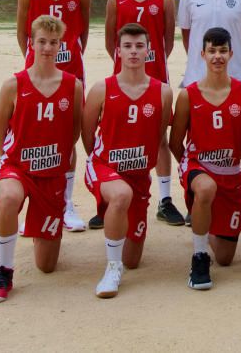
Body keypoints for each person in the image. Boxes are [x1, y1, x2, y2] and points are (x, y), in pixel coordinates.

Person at [0, 15, 84, 303]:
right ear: (32, 42)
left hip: (51, 174)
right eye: (41, 41)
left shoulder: (72, 85)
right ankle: (4, 270)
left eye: (53, 43)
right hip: (18, 167)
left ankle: (38, 224)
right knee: (10, 198)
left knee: (47, 266)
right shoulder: (13, 84)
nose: (47, 48)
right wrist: (12, 162)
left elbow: (73, 131)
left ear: (60, 45)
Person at [81, 22, 172, 298]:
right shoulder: (101, 89)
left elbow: (159, 137)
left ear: (149, 51)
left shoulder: (163, 92)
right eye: (127, 46)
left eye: (139, 46)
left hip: (138, 175)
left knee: (134, 259)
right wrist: (102, 164)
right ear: (117, 51)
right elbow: (87, 134)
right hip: (104, 167)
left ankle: (115, 225)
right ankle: (111, 268)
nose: (133, 51)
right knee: (120, 195)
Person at [102, 0, 183, 228]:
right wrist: (128, 64)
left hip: (155, 76)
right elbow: (111, 40)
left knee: (159, 136)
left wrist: (150, 63)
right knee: (118, 136)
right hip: (123, 78)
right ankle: (110, 195)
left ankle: (164, 199)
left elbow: (168, 41)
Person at [170, 27, 241, 290]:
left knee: (227, 258)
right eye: (212, 51)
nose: (217, 56)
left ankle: (203, 223)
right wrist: (192, 172)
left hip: (229, 172)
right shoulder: (188, 94)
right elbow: (175, 143)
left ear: (231, 54)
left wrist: (226, 161)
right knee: (206, 188)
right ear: (202, 54)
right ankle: (199, 256)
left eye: (222, 51)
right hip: (198, 166)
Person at [16, 0, 90, 232]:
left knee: (67, 136)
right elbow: (22, 32)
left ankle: (66, 203)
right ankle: (33, 200)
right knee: (33, 136)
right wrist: (35, 61)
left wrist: (66, 57)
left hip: (71, 73)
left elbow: (81, 33)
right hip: (36, 73)